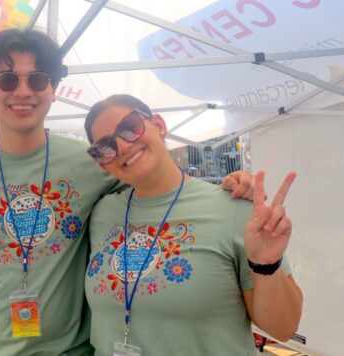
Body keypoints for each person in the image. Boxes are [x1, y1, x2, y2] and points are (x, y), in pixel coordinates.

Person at [0, 28, 255, 356]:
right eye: (8, 80)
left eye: (37, 79)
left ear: (52, 90)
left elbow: (163, 188)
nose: (23, 91)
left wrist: (229, 187)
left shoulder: (95, 162)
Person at [83, 95, 303, 356]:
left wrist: (267, 265)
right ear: (102, 163)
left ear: (159, 124)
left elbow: (283, 328)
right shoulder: (101, 214)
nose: (122, 146)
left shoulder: (233, 208)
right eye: (105, 147)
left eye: (129, 127)